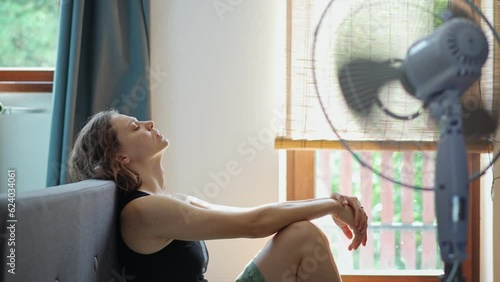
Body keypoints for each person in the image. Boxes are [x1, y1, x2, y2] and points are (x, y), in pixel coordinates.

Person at [68, 109, 368, 282]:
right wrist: (330, 205)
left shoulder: (171, 201)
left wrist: (331, 203)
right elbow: (255, 224)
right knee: (304, 236)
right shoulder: (141, 212)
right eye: (135, 128)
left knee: (302, 234)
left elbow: (257, 214)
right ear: (120, 157)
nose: (149, 124)